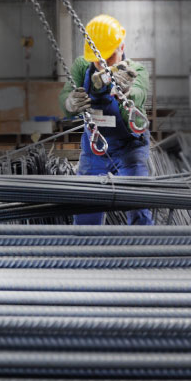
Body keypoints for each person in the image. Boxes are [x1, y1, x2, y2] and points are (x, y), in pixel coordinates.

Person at [58, 13, 153, 225]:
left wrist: (129, 91)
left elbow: (140, 92)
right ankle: (88, 255)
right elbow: (65, 97)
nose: (103, 64)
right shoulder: (81, 67)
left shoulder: (135, 70)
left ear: (122, 46)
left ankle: (145, 253)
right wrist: (69, 103)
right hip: (95, 152)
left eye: (109, 57)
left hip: (130, 151)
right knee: (86, 211)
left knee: (138, 207)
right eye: (98, 59)